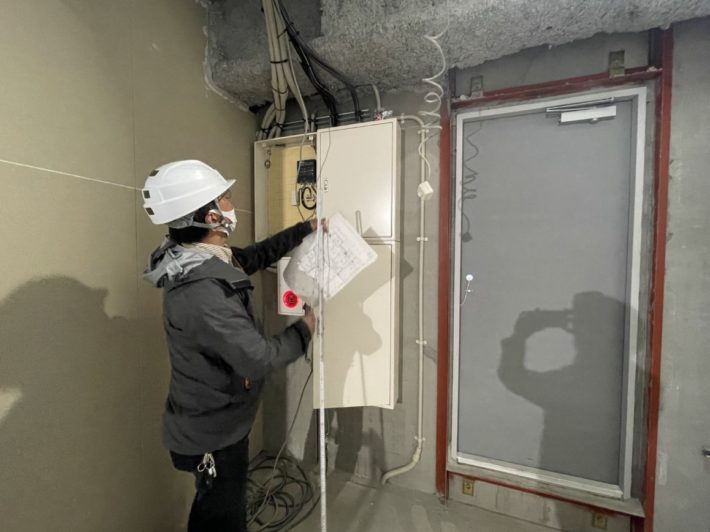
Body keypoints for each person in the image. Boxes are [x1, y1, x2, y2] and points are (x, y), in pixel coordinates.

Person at [141, 159, 321, 531]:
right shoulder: (202, 291)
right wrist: (304, 329)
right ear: (211, 217)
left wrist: (306, 229)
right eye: (224, 198)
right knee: (221, 516)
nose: (231, 204)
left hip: (218, 421)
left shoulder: (200, 257)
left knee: (218, 507)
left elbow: (255, 256)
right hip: (212, 434)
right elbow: (258, 359)